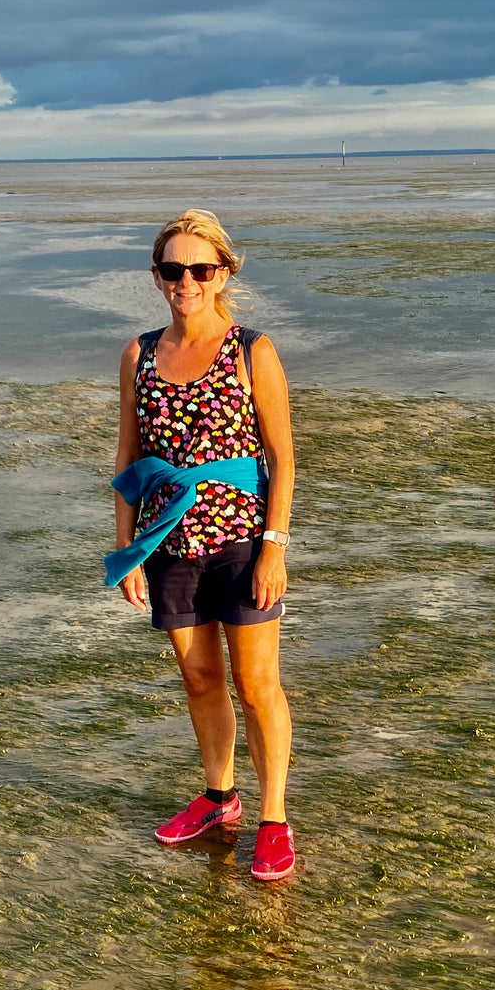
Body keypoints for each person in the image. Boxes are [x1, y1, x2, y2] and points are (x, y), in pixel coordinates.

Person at [105, 209, 297, 882]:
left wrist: (273, 548)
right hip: (167, 543)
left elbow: (282, 458)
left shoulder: (251, 350)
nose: (185, 281)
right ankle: (220, 797)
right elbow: (129, 459)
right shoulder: (138, 353)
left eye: (199, 269)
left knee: (255, 683)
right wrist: (126, 550)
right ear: (155, 275)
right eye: (172, 269)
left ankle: (272, 818)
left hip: (242, 540)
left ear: (222, 274)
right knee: (198, 677)